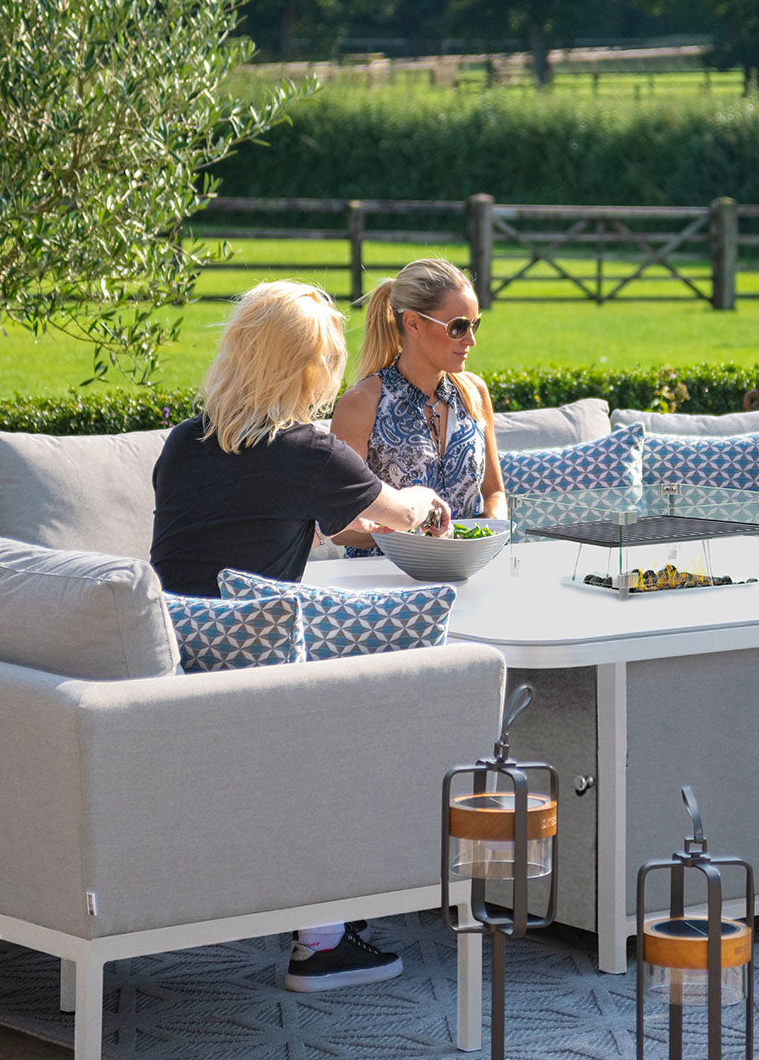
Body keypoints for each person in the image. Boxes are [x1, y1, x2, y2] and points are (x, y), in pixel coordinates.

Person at [150, 279, 450, 991]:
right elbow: (401, 513)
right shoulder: (306, 450)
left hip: (168, 666)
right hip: (253, 679)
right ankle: (321, 941)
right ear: (311, 369)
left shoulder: (186, 442)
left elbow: (243, 526)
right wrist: (426, 500)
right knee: (377, 705)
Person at [329, 258, 506, 553]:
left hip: (466, 568)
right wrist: (415, 530)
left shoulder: (474, 393)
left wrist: (490, 530)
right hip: (381, 575)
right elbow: (340, 526)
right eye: (458, 327)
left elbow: (494, 492)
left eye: (475, 324)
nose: (471, 340)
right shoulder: (360, 404)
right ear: (413, 323)